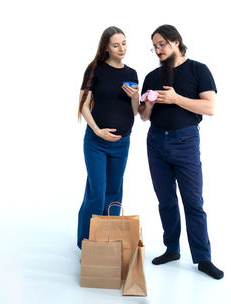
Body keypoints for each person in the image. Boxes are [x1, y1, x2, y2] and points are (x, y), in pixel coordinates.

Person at [138, 24, 223, 280]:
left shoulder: (198, 69)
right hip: (155, 142)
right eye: (154, 46)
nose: (158, 50)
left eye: (161, 44)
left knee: (193, 202)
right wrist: (149, 105)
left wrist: (176, 99)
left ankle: (203, 258)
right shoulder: (152, 76)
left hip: (185, 142)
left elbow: (210, 107)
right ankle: (172, 249)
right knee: (165, 200)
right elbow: (142, 116)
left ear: (175, 42)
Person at [77, 26, 139, 249]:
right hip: (96, 142)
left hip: (122, 144)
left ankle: (108, 242)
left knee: (114, 193)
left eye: (124, 43)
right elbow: (83, 106)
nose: (121, 48)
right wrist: (97, 130)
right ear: (106, 47)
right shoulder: (95, 69)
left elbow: (133, 111)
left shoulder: (131, 74)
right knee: (97, 193)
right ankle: (87, 243)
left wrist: (136, 97)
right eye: (116, 44)